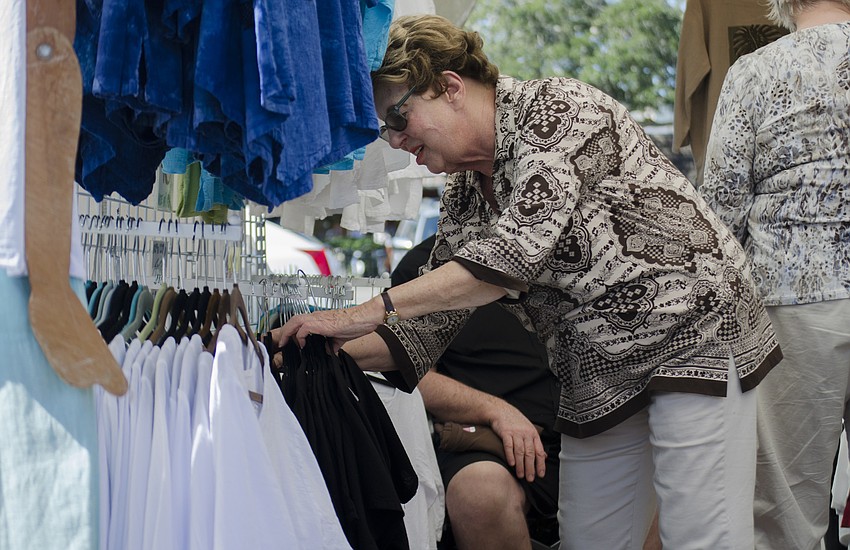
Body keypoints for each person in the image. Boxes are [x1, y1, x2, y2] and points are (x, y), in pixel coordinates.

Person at [276, 14, 782, 549]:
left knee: (700, 537)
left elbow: (513, 255)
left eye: (398, 118)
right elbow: (424, 328)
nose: (397, 140)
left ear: (449, 87)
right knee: (592, 537)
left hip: (692, 331)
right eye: (385, 129)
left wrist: (359, 313)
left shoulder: (555, 111)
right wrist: (314, 352)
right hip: (596, 367)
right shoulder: (467, 195)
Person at [699, 2, 850, 548]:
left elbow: (719, 207)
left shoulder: (757, 70)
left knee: (786, 500)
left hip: (793, 295)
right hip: (798, 294)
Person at [392, 234, 561, 549]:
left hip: (585, 429)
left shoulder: (570, 250)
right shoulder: (425, 264)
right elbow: (411, 372)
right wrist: (495, 410)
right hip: (486, 442)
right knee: (480, 493)